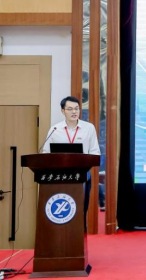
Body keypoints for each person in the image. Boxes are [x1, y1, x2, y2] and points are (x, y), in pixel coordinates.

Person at [42, 96, 101, 228]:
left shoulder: (89, 128)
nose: (74, 112)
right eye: (70, 109)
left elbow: (95, 152)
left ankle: (80, 234)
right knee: (62, 209)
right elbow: (46, 153)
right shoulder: (55, 130)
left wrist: (85, 162)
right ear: (63, 111)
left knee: (81, 209)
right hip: (60, 176)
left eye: (76, 108)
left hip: (82, 174)